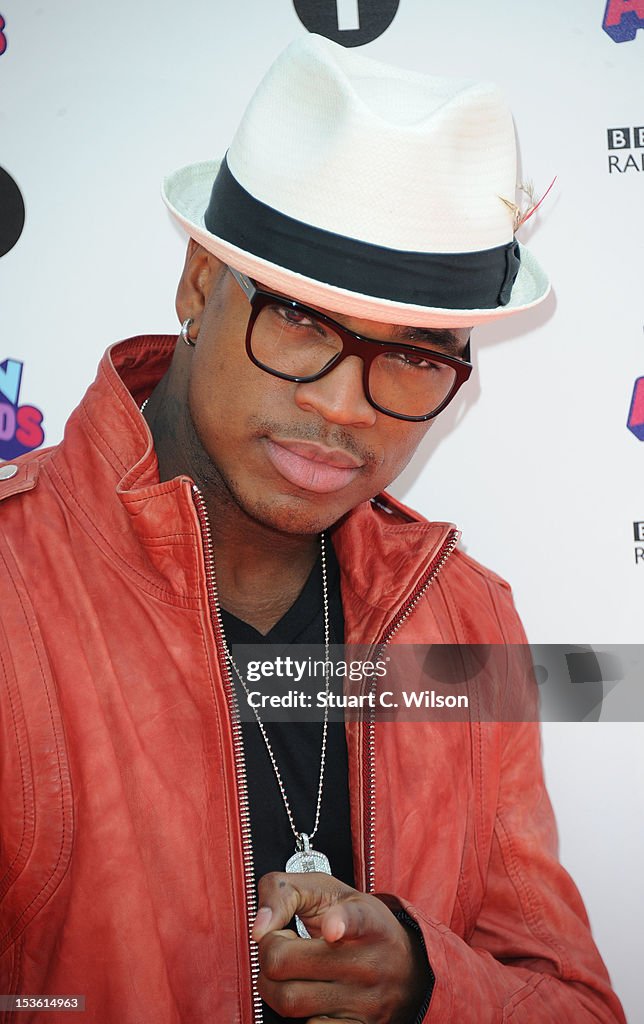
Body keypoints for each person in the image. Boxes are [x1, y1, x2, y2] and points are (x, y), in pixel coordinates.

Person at [0, 34, 625, 1024]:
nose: (343, 407)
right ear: (200, 284)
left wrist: (426, 983)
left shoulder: (464, 617)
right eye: (299, 319)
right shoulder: (13, 584)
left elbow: (573, 1005)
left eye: (415, 357)